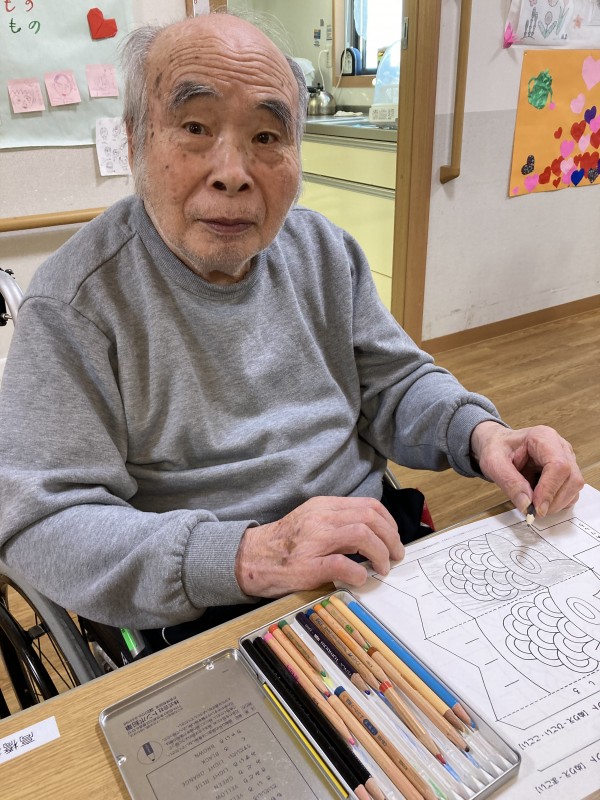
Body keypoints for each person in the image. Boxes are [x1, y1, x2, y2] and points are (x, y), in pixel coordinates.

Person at [0, 13, 582, 638]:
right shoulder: (76, 302)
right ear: (135, 139)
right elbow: (40, 520)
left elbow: (395, 384)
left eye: (266, 136)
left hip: (368, 548)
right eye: (195, 127)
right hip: (204, 599)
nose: (233, 171)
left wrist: (482, 434)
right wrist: (251, 555)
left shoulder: (323, 251)